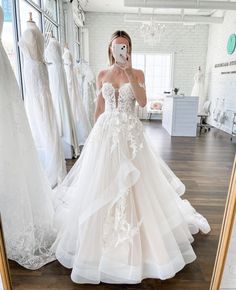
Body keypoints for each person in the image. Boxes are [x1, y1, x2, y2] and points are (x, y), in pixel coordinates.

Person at [53, 30, 211, 284]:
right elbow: (99, 109)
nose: (121, 51)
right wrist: (93, 138)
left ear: (129, 49)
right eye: (117, 47)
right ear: (110, 49)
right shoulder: (102, 75)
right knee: (102, 184)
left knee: (136, 186)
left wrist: (129, 74)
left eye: (125, 47)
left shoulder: (137, 74)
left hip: (131, 139)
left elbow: (143, 102)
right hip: (105, 136)